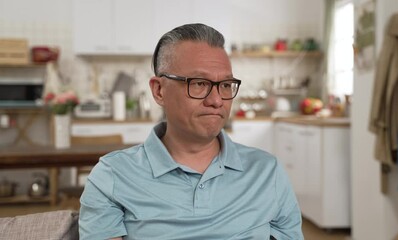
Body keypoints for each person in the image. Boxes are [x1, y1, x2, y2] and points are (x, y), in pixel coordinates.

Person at [79, 23, 303, 240]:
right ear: (159, 91)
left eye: (225, 85)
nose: (216, 100)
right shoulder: (112, 176)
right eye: (199, 84)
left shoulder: (267, 172)